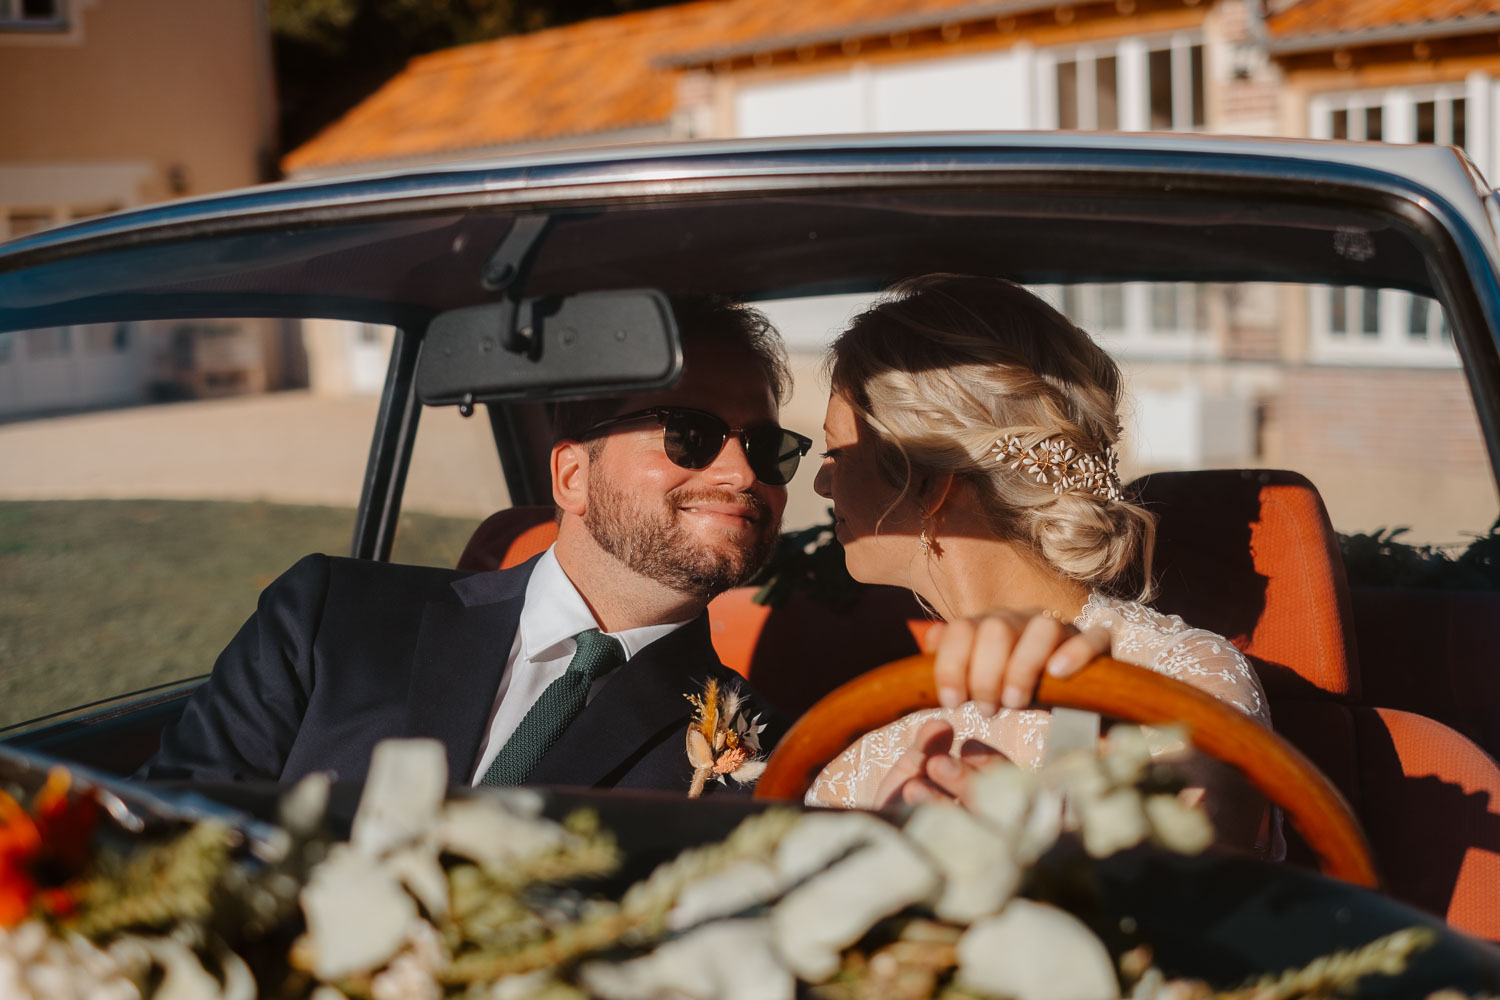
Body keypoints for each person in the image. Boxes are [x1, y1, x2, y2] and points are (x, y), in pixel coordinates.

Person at [140, 297, 808, 794]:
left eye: (765, 447)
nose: (742, 474)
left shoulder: (765, 759)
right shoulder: (329, 618)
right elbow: (163, 832)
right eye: (690, 435)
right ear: (573, 476)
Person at [807, 274, 1278, 856]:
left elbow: (1197, 873)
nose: (821, 481)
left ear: (926, 483)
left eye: (835, 452)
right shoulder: (875, 742)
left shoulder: (1179, 681)